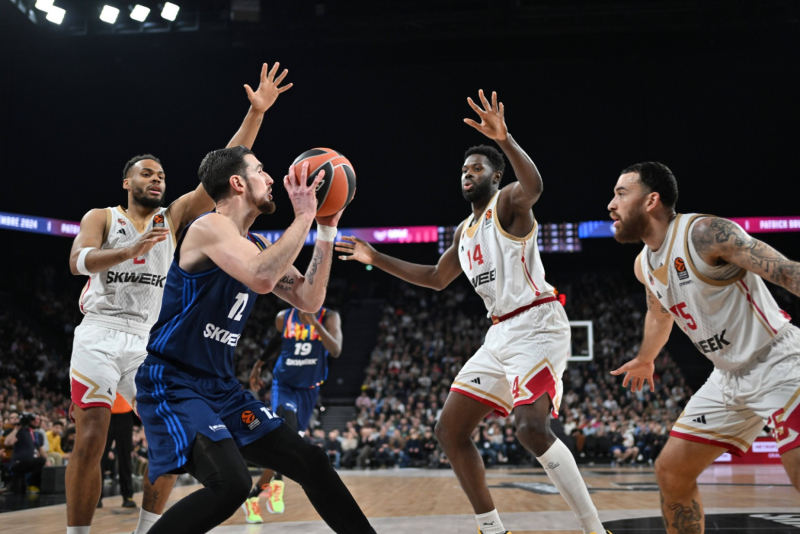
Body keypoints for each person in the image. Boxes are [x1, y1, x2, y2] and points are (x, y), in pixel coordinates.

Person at [336, 90, 608, 534]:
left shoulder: (508, 204)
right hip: (499, 333)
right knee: (449, 430)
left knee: (530, 429)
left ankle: (595, 529)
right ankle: (492, 528)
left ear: (496, 176)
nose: (467, 174)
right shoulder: (463, 231)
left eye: (477, 168)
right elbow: (435, 278)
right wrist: (375, 257)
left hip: (537, 323)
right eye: (464, 169)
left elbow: (534, 187)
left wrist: (505, 140)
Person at [65, 62, 292, 534]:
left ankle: (148, 530)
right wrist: (127, 250)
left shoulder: (173, 218)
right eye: (146, 174)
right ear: (126, 183)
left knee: (169, 443)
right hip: (101, 332)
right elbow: (77, 261)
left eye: (162, 175)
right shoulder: (103, 217)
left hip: (148, 340)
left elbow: (227, 167)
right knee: (90, 438)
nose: (157, 179)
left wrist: (256, 113)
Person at [134, 146, 375, 534]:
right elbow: (261, 278)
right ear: (237, 183)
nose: (270, 178)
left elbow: (309, 300)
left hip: (221, 387)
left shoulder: (258, 244)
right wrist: (304, 216)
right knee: (230, 484)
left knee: (311, 461)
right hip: (173, 382)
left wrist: (326, 228)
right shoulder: (208, 227)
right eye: (260, 171)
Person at [607, 161, 800, 534]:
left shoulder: (704, 233)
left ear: (651, 201)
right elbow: (659, 315)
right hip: (726, 377)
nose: (611, 205)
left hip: (777, 360)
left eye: (621, 193)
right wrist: (646, 359)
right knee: (671, 471)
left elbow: (787, 272)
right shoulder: (643, 264)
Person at [243, 304, 343, 521]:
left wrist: (315, 324)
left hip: (309, 390)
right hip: (285, 386)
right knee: (285, 433)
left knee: (288, 448)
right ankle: (277, 485)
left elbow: (335, 350)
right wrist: (258, 365)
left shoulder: (329, 317)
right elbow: (276, 341)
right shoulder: (284, 317)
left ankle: (253, 496)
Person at [97, 395, 136, 509]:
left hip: (125, 412)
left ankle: (128, 496)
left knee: (125, 457)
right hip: (105, 411)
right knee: (100, 457)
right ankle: (96, 496)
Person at [4, 413, 51, 493]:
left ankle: (36, 485)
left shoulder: (39, 434)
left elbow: (41, 450)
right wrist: (16, 429)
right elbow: (7, 443)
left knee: (43, 461)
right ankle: (32, 484)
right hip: (18, 463)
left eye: (38, 419)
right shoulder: (22, 431)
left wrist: (48, 460)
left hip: (30, 462)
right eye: (34, 419)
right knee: (41, 461)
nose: (36, 421)